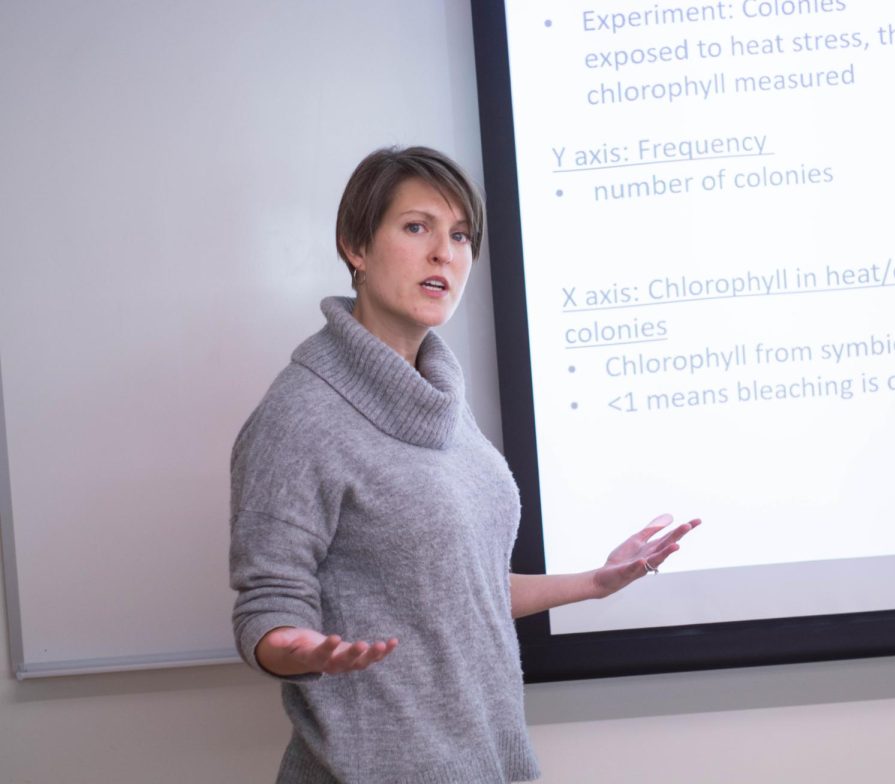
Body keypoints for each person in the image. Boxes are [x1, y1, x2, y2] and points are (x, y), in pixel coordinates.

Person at [229, 145, 699, 783]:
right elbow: (268, 607)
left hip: (484, 763)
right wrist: (302, 648)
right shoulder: (301, 417)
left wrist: (593, 582)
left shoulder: (442, 402)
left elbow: (456, 591)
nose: (443, 253)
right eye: (416, 227)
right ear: (355, 246)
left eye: (460, 235)